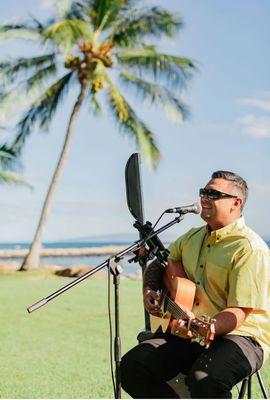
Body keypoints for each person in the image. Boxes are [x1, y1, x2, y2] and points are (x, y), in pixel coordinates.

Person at [120, 170, 270, 399]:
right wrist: (150, 289)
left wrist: (205, 328)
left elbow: (239, 311)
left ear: (236, 203)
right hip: (192, 330)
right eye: (203, 192)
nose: (204, 198)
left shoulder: (249, 248)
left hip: (242, 335)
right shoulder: (190, 238)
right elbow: (161, 265)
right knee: (133, 367)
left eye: (213, 194)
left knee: (204, 380)